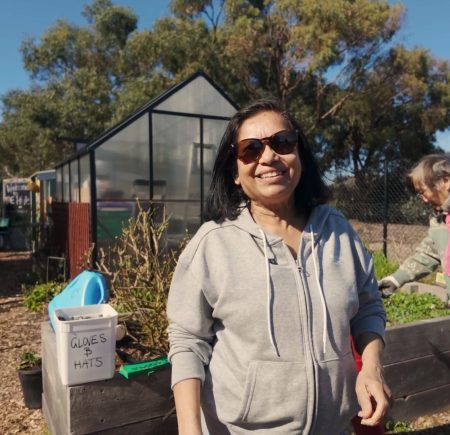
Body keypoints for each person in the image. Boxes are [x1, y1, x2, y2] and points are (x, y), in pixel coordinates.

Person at [167, 98, 391, 434]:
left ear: (299, 154)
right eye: (250, 149)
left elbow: (368, 306)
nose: (268, 156)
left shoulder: (338, 231)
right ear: (235, 173)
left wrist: (371, 367)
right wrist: (189, 429)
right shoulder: (213, 243)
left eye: (282, 142)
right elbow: (187, 340)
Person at [378, 153, 450, 300]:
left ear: (446, 181)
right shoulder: (440, 219)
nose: (423, 199)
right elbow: (428, 254)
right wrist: (395, 279)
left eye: (423, 192)